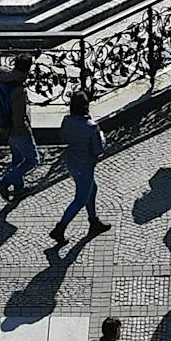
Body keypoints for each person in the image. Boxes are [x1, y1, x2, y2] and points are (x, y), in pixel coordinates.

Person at [51, 90, 108, 244]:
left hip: (72, 162)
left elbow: (63, 138)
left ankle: (93, 220)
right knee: (80, 199)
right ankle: (60, 228)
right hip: (85, 166)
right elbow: (99, 150)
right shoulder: (91, 127)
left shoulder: (67, 120)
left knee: (92, 189)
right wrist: (101, 136)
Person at [0, 57, 39, 203]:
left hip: (5, 127)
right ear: (28, 69)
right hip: (17, 131)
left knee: (17, 158)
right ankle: (3, 183)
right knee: (33, 159)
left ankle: (19, 190)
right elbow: (18, 119)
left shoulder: (3, 79)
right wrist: (26, 131)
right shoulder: (18, 89)